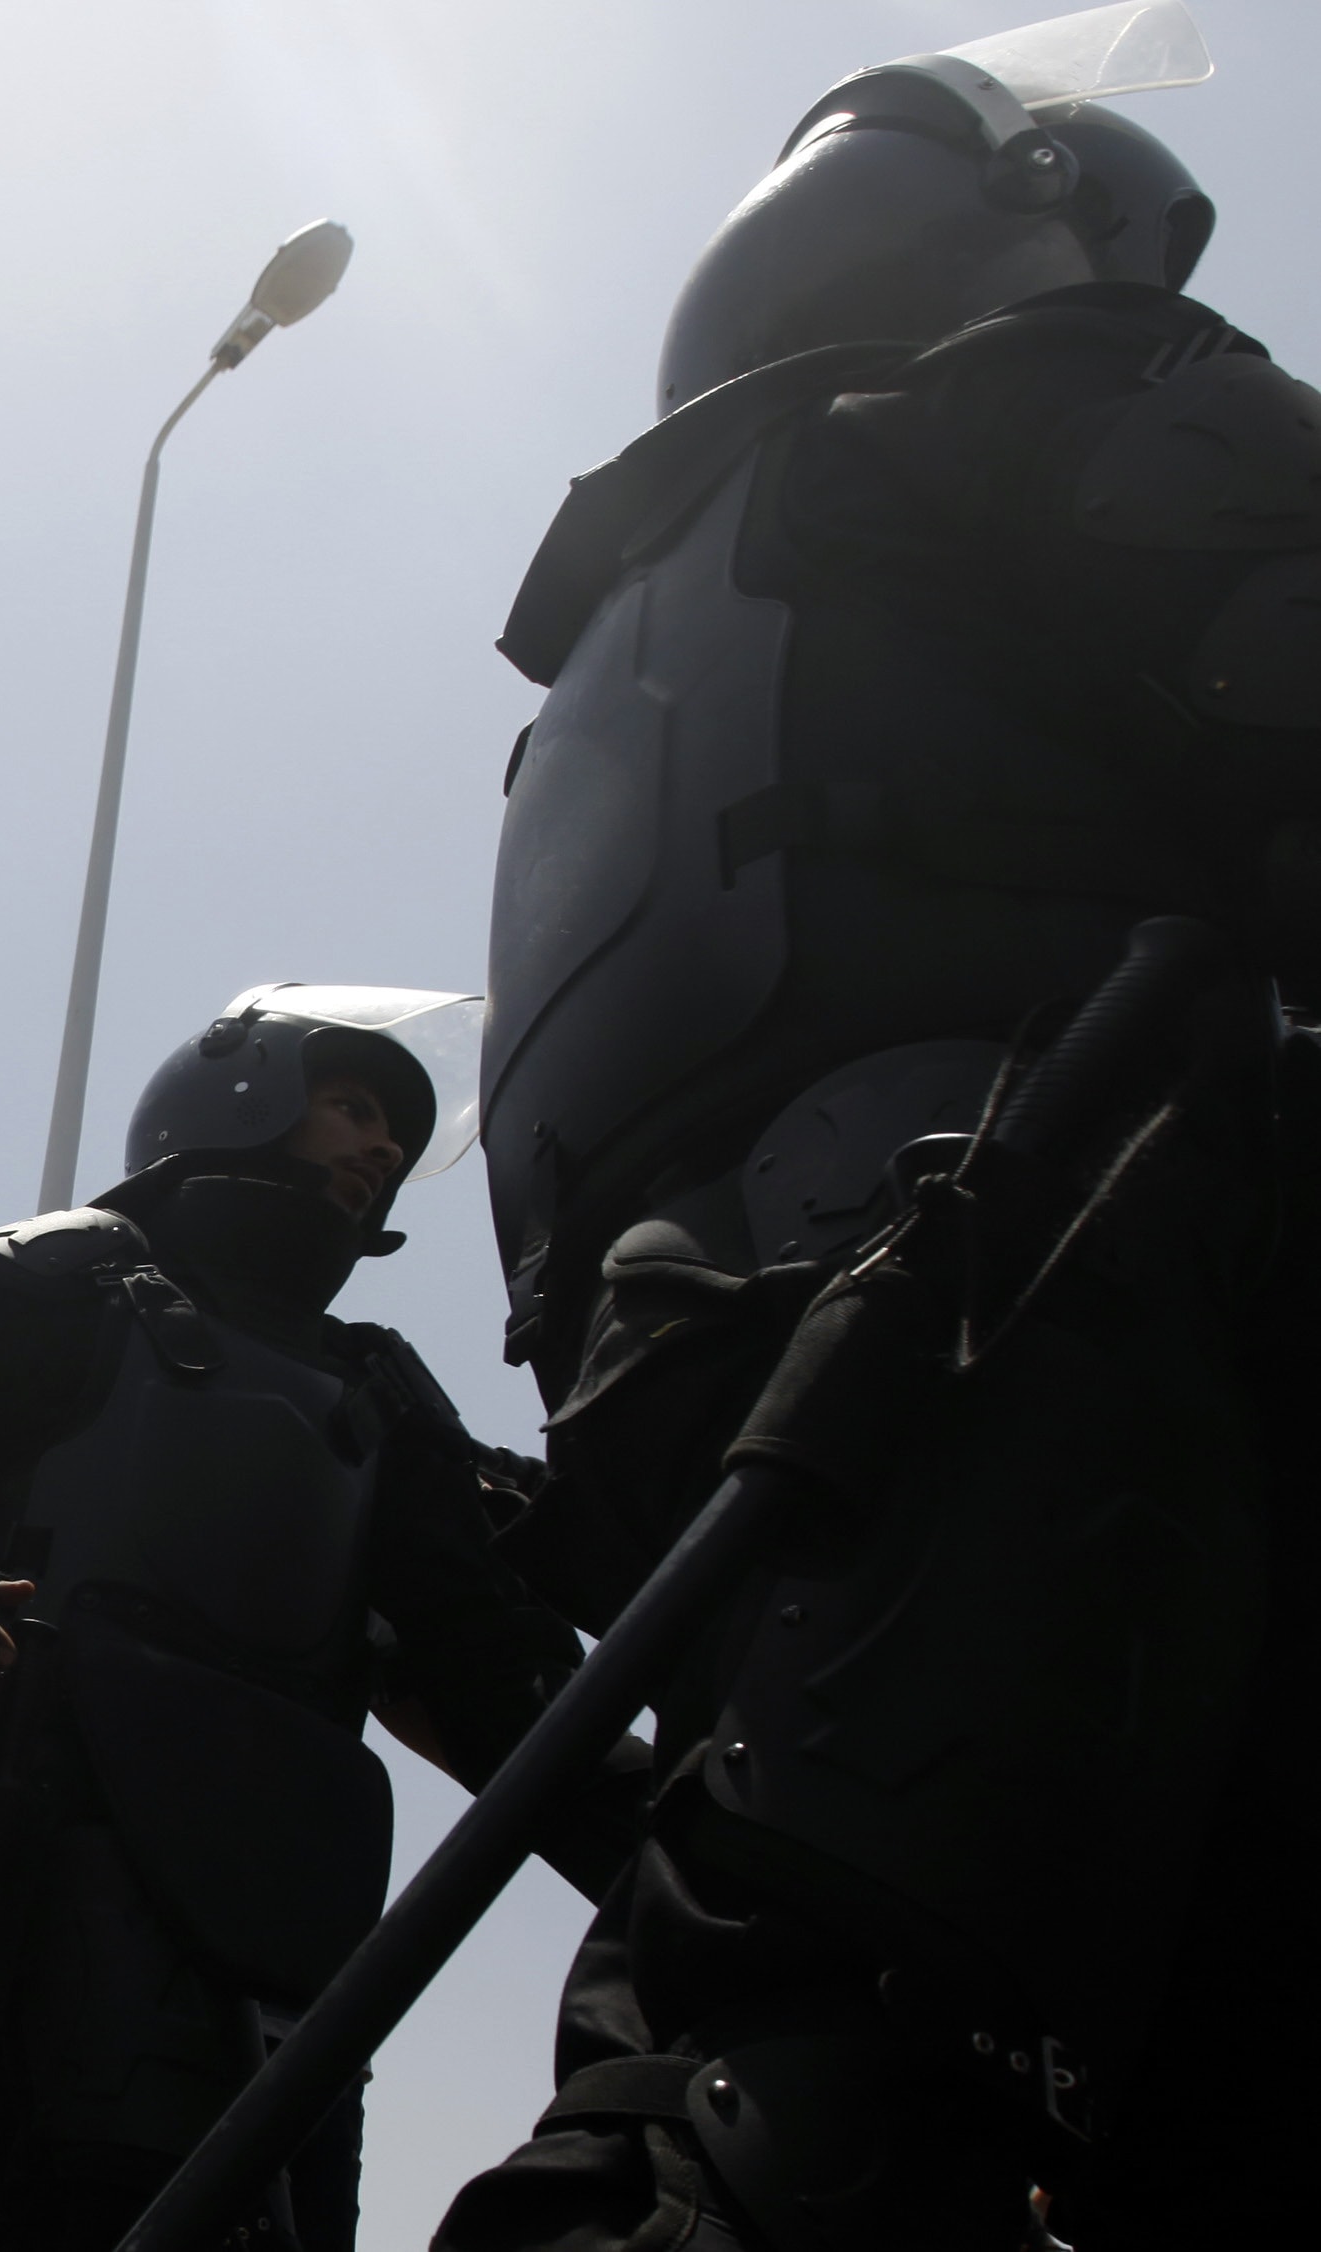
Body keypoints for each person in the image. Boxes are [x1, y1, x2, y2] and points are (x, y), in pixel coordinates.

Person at [440, 13, 1321, 2248]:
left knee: (773, 2040)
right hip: (1052, 1304)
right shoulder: (1050, 400)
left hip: (710, 1395)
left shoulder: (623, 642)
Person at [0, 987, 650, 2252]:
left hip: (297, 1906)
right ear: (239, 1091)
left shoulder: (377, 1391)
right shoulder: (63, 1276)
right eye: (352, 1105)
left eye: (397, 1130)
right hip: (67, 1836)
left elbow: (489, 1668)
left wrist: (686, 1847)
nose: (384, 1146)